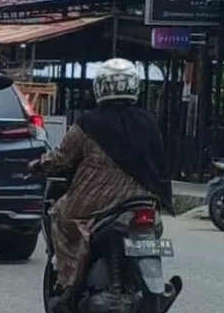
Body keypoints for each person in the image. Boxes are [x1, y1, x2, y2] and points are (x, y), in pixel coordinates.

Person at [33, 57, 169, 293]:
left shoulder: (88, 123)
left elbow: (61, 157)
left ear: (100, 87)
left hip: (96, 201)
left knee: (59, 216)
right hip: (144, 200)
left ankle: (67, 279)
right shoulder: (149, 122)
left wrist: (38, 165)